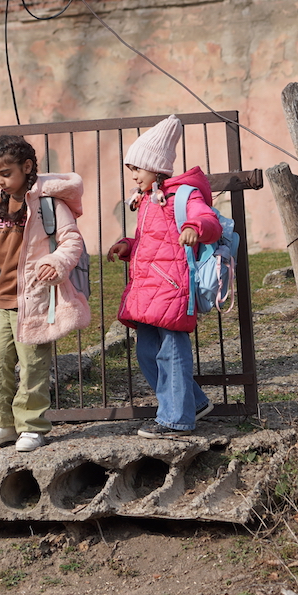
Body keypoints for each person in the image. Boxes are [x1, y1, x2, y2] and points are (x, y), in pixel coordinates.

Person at [0, 135, 91, 451]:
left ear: (27, 167)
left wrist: (56, 261)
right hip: (4, 298)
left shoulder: (49, 203)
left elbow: (71, 241)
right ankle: (1, 423)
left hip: (36, 300)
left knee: (33, 366)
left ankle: (32, 426)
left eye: (5, 174)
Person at [107, 115, 220, 438]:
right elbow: (152, 242)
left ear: (156, 168)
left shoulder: (182, 196)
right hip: (147, 287)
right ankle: (193, 403)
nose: (133, 174)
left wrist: (193, 228)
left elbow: (207, 222)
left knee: (171, 351)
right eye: (130, 168)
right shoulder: (147, 200)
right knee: (147, 353)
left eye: (136, 168)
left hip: (171, 287)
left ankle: (176, 419)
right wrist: (128, 246)